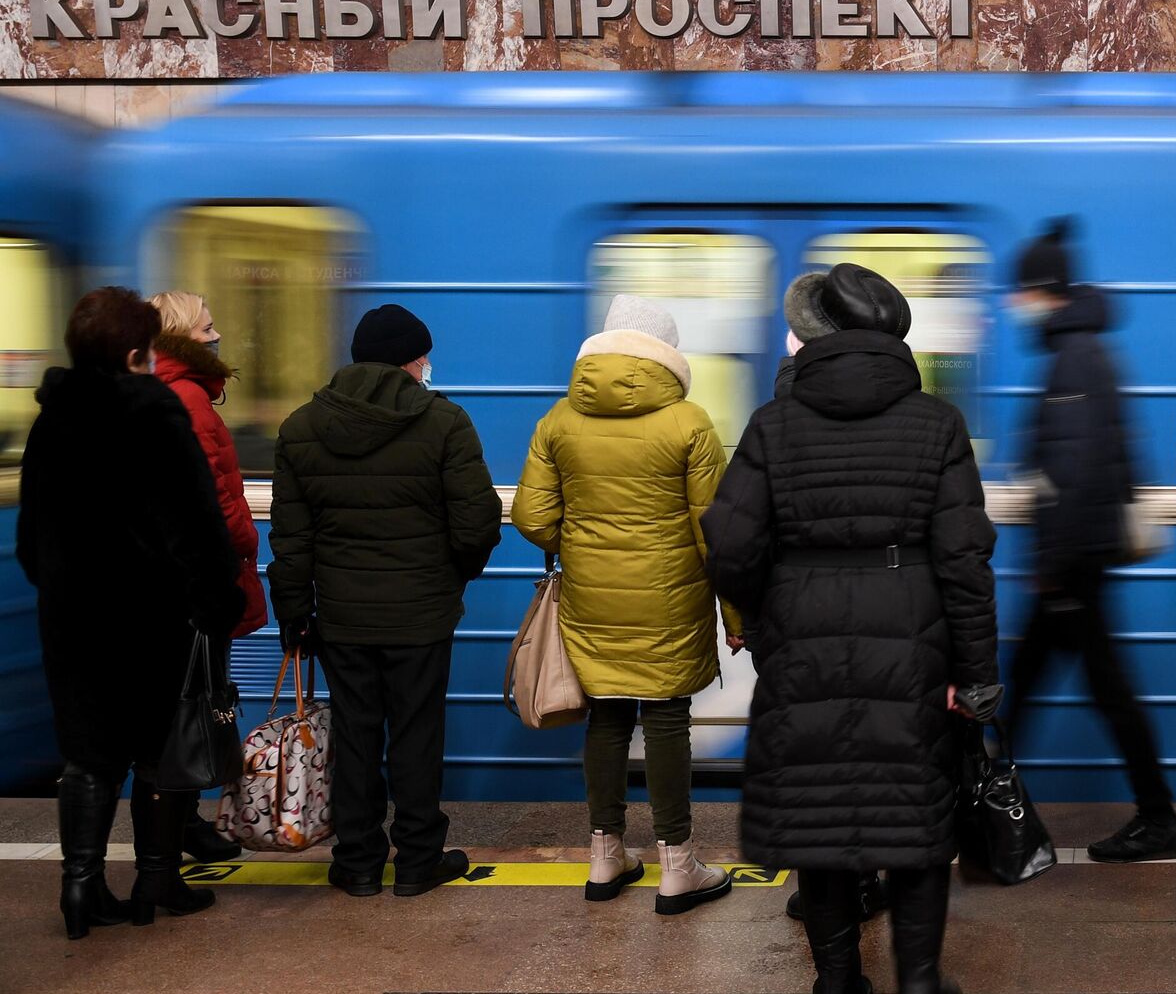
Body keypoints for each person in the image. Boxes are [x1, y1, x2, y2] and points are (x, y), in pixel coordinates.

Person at [703, 263, 997, 994]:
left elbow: (731, 546)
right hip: (913, 638)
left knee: (819, 810)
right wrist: (978, 670)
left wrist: (770, 622)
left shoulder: (774, 423)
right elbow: (965, 558)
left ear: (815, 338)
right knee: (917, 815)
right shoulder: (938, 422)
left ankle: (837, 982)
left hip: (802, 632)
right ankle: (920, 981)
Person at [18, 288, 245, 937]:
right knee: (156, 751)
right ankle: (157, 878)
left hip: (72, 621)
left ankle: (81, 889)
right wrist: (214, 599)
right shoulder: (155, 414)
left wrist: (64, 588)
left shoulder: (51, 419)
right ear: (133, 352)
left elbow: (32, 540)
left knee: (87, 759)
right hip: (152, 620)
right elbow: (198, 527)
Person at [510, 295, 737, 912]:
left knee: (606, 716)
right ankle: (677, 866)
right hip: (670, 597)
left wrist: (581, 544)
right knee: (665, 717)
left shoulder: (559, 420)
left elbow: (531, 515)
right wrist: (738, 617)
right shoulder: (689, 422)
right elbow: (714, 531)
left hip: (590, 593)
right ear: (668, 356)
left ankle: (606, 857)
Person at [268, 304, 501, 898]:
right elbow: (477, 523)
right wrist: (450, 578)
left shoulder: (300, 427)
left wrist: (294, 612)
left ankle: (358, 862)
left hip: (343, 616)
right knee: (417, 734)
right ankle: (419, 859)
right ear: (413, 360)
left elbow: (291, 540)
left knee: (355, 732)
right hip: (422, 613)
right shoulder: (445, 422)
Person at [1002, 220, 1176, 863]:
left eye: (1018, 289)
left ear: (1040, 289)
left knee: (1033, 690)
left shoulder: (1075, 356)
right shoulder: (1083, 351)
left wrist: (1050, 565)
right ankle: (1154, 815)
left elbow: (1073, 470)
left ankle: (974, 811)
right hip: (1079, 559)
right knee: (1084, 689)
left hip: (1071, 563)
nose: (1010, 302)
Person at [770, 324, 893, 926]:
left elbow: (744, 529)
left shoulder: (780, 407)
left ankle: (823, 889)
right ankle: (869, 876)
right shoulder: (902, 404)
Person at [148, 290, 270, 864]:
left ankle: (181, 823)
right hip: (201, 583)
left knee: (189, 698)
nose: (218, 335)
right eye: (208, 327)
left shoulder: (176, 394)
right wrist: (244, 545)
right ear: (181, 338)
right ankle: (173, 837)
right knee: (194, 700)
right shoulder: (191, 401)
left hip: (183, 581)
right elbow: (213, 494)